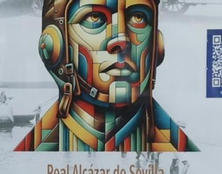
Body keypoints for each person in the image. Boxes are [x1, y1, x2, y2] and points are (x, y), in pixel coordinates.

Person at [15, 0, 197, 151]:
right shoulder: (37, 145)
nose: (122, 40)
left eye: (138, 17)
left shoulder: (176, 144)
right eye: (95, 18)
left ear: (156, 47)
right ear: (55, 46)